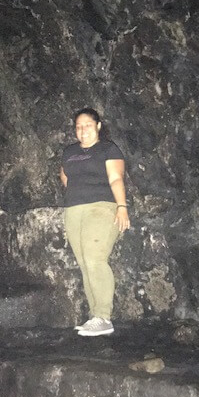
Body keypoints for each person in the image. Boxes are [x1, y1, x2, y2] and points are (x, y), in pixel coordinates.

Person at [60, 108, 130, 336]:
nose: (83, 130)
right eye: (78, 127)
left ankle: (103, 316)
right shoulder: (69, 152)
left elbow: (116, 178)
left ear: (98, 126)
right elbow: (65, 179)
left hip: (101, 207)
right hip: (74, 210)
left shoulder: (108, 149)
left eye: (87, 125)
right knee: (83, 263)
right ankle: (94, 317)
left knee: (94, 258)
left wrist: (121, 207)